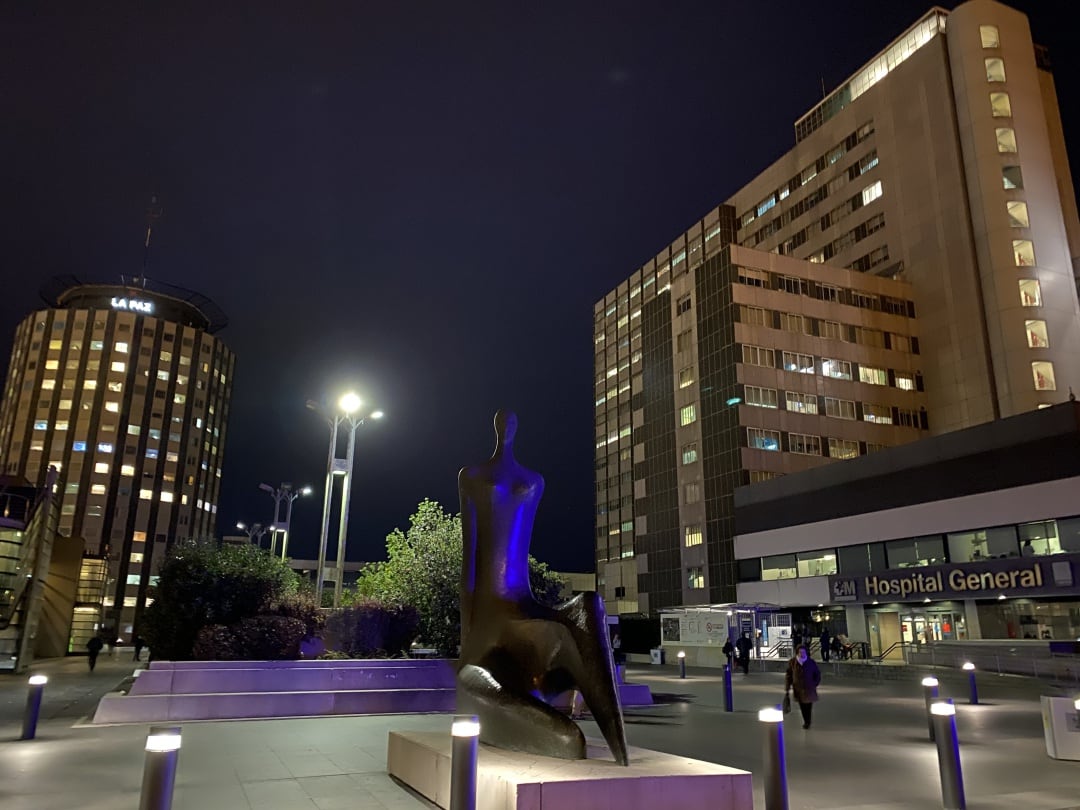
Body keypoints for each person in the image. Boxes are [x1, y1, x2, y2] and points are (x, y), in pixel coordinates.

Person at [785, 644, 822, 729]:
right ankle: (806, 721)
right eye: (800, 652)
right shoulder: (793, 662)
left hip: (809, 688)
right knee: (802, 706)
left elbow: (817, 674)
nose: (802, 654)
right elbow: (789, 675)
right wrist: (787, 687)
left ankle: (807, 721)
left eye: (803, 652)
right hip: (798, 689)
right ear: (797, 653)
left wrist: (815, 683)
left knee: (808, 706)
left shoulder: (811, 662)